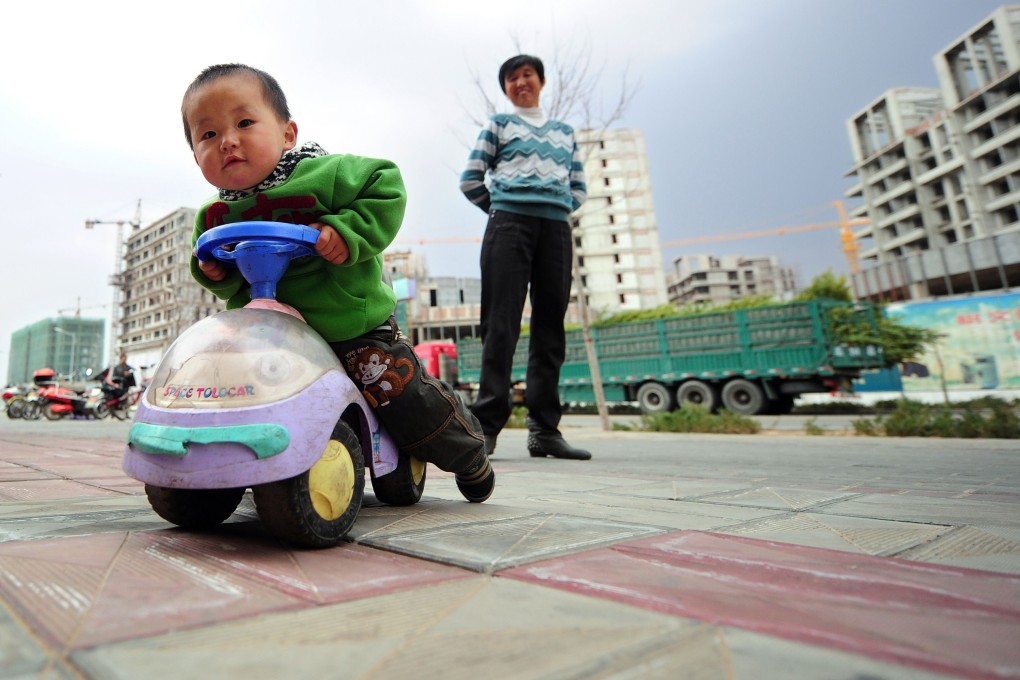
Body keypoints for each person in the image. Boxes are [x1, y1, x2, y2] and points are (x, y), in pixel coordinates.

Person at [181, 63, 493, 502]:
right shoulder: (212, 215)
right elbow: (207, 254)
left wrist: (347, 232)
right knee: (224, 388)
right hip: (271, 342)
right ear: (196, 157)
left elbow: (387, 184)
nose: (227, 140)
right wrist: (210, 269)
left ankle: (467, 451)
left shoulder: (325, 174)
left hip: (350, 329)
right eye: (207, 135)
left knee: (402, 396)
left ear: (287, 133)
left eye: (245, 123)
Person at [460, 54, 591, 461]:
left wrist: (556, 208)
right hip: (508, 226)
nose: (521, 82)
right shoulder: (499, 126)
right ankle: (487, 427)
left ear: (540, 81)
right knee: (500, 324)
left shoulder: (565, 132)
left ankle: (545, 431)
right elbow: (469, 179)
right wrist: (502, 208)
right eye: (512, 78)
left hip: (555, 230)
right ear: (506, 88)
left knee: (551, 326)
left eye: (527, 75)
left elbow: (580, 188)